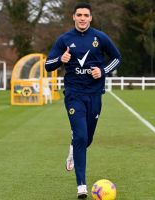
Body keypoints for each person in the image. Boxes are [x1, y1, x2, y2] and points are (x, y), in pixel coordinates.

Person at [45, 2, 121, 199]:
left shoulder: (100, 37)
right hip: (74, 94)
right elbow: (48, 65)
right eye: (79, 15)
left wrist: (103, 71)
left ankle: (73, 149)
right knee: (80, 136)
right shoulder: (64, 39)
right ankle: (81, 185)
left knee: (87, 139)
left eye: (86, 15)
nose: (82, 18)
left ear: (90, 18)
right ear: (73, 17)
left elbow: (117, 57)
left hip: (95, 95)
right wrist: (60, 60)